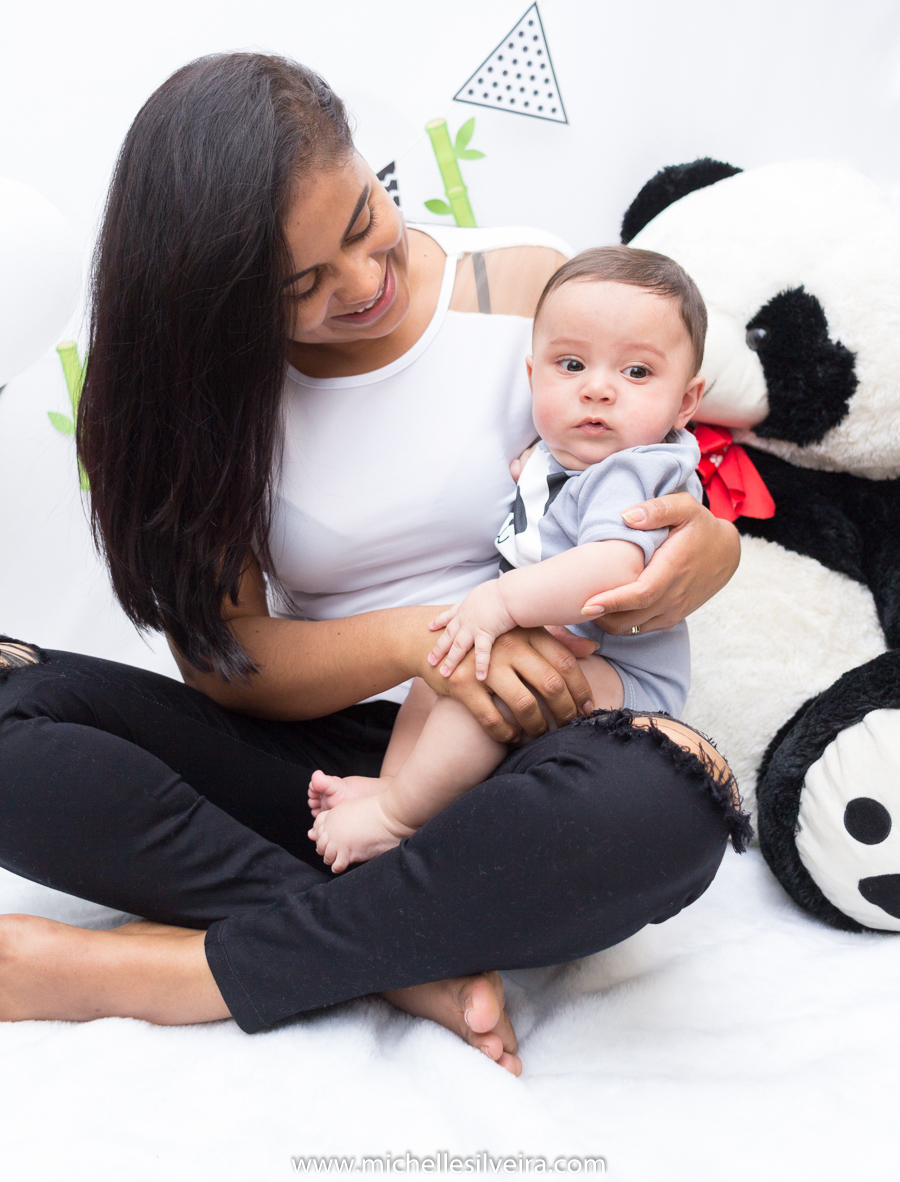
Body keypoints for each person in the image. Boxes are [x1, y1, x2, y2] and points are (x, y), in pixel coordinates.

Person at [0, 54, 746, 1077]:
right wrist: (426, 642)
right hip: (321, 774)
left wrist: (715, 544)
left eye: (363, 221)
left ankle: (172, 975)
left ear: (365, 163)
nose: (362, 284)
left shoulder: (526, 282)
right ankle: (392, 953)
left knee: (665, 803)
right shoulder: (206, 400)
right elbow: (229, 666)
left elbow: (656, 451)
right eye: (297, 285)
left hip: (526, 748)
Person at [307, 245, 719, 873]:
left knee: (483, 677)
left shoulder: (637, 469)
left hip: (624, 673)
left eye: (637, 373)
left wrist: (497, 602)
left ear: (686, 403)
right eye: (572, 364)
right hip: (563, 647)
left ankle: (397, 820)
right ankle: (396, 789)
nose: (599, 390)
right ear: (533, 376)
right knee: (443, 662)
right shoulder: (561, 456)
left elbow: (614, 566)